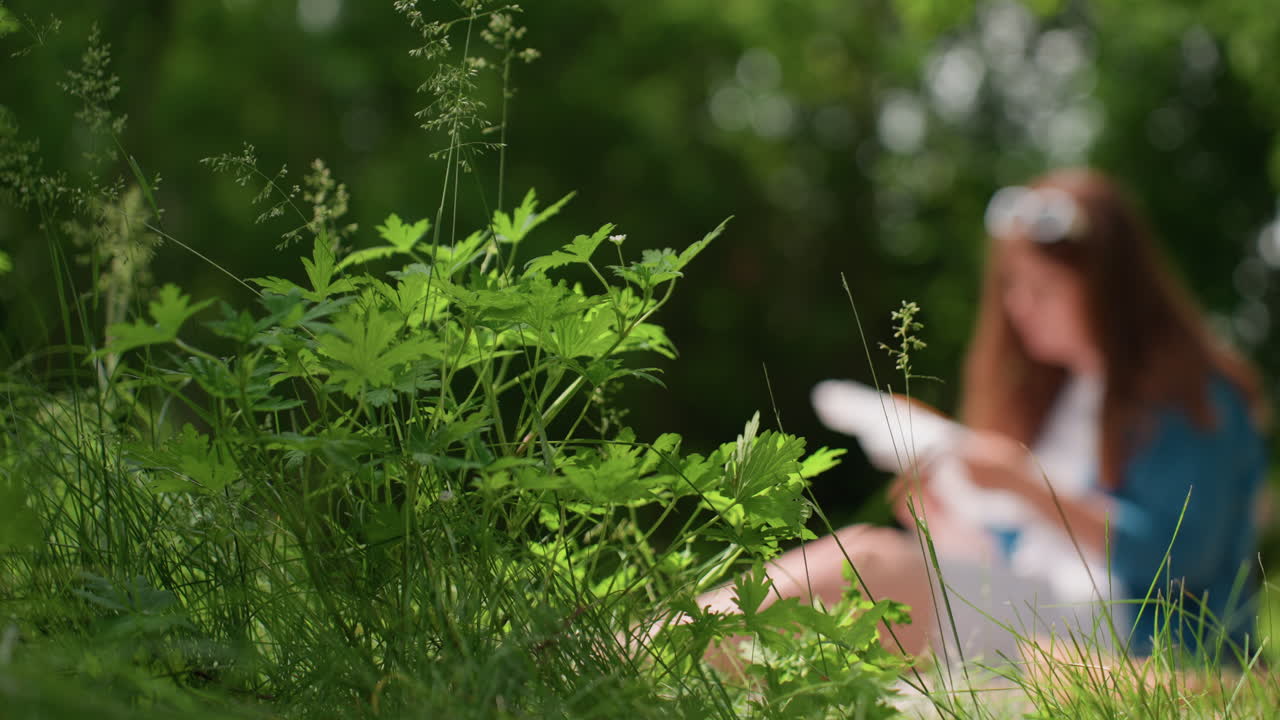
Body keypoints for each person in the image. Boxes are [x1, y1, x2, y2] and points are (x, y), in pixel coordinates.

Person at [699, 168, 1270, 666]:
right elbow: (1020, 562)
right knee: (859, 553)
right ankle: (644, 650)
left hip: (1137, 644)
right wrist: (947, 525)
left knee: (869, 569)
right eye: (1013, 286)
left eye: (1044, 287)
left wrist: (1024, 483)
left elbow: (1182, 559)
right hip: (1053, 617)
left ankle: (650, 655)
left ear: (1112, 291)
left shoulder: (1194, 396)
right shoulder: (1068, 396)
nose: (1020, 307)